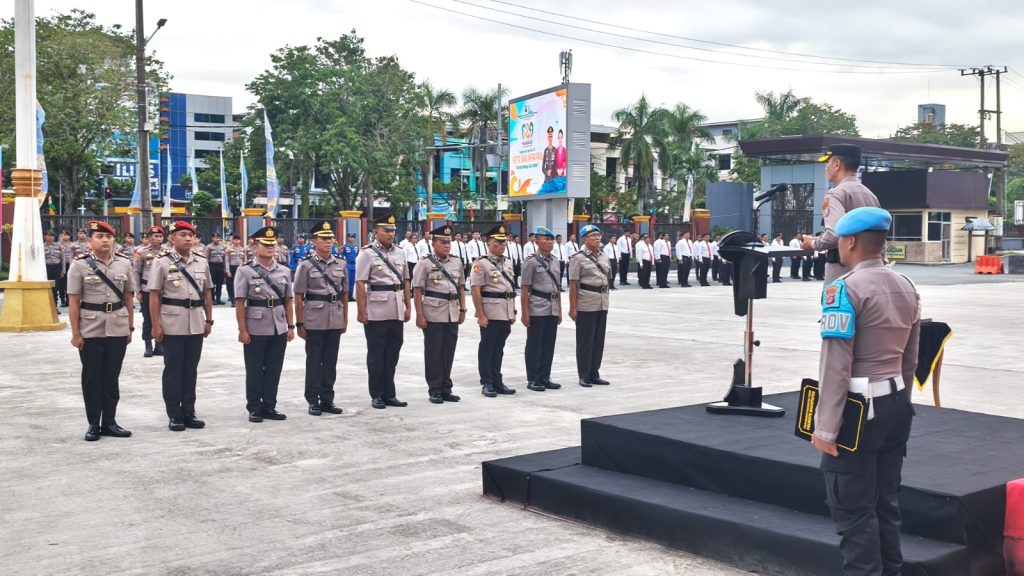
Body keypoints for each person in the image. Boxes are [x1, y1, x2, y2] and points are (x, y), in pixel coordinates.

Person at [812, 207, 919, 576]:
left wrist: (826, 428)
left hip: (859, 411)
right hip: (896, 403)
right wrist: (901, 402)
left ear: (851, 241)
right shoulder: (906, 285)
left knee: (853, 511)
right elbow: (910, 358)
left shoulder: (843, 289)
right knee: (885, 504)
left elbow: (836, 364)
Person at [67, 221, 136, 441]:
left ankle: (110, 422)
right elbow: (74, 301)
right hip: (90, 328)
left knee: (111, 377)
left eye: (108, 236)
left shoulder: (124, 264)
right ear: (90, 241)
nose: (105, 240)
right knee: (92, 378)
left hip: (117, 326)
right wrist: (76, 333)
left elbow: (128, 298)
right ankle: (93, 423)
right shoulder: (79, 265)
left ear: (114, 240)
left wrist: (130, 327)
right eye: (99, 236)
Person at [149, 221, 213, 432]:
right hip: (172, 323)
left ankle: (189, 411)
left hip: (196, 322)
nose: (188, 238)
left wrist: (209, 320)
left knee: (190, 370)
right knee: (173, 370)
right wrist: (155, 325)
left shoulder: (201, 261)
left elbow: (207, 292)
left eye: (190, 235)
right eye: (183, 234)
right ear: (172, 238)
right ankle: (174, 414)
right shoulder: (161, 262)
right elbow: (155, 295)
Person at [235, 226, 295, 422]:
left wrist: (290, 326)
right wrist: (242, 330)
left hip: (278, 326)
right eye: (266, 244)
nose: (270, 247)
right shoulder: (245, 271)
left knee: (274, 369)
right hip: (256, 326)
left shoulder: (284, 271)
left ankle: (269, 406)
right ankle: (254, 407)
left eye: (273, 244)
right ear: (255, 246)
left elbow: (288, 300)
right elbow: (240, 303)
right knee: (254, 369)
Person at [802, 144, 881, 284]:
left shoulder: (835, 194)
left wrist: (812, 243)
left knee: (836, 299)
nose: (826, 167)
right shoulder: (870, 195)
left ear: (837, 164)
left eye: (828, 162)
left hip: (842, 270)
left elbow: (835, 234)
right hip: (871, 270)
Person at [355, 212, 411, 409]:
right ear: (376, 232)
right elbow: (360, 283)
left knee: (392, 353)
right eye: (386, 230)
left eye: (393, 231)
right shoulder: (367, 253)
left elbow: (406, 280)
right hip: (376, 309)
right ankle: (377, 394)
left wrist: (408, 306)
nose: (390, 234)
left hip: (396, 309)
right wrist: (361, 311)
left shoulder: (400, 252)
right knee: (376, 355)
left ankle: (390, 393)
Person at [294, 221, 348, 415]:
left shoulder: (341, 263)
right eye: (324, 238)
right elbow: (298, 296)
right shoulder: (306, 265)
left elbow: (344, 293)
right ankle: (313, 400)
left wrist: (345, 319)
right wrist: (300, 323)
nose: (329, 242)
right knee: (314, 361)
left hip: (335, 317)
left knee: (331, 362)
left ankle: (327, 399)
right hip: (314, 319)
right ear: (314, 241)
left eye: (331, 238)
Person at [412, 224, 466, 404]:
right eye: (442, 242)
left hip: (452, 311)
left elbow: (461, 287)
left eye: (448, 242)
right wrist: (419, 315)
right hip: (433, 312)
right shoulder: (425, 263)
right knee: (434, 352)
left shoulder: (456, 262)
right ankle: (435, 388)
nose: (446, 246)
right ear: (433, 243)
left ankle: (446, 388)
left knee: (448, 351)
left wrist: (463, 309)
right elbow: (417, 290)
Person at [471, 224, 517, 398]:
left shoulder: (508, 262)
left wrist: (512, 311)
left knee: (499, 348)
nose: (502, 245)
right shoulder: (481, 263)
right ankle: (487, 382)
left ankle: (498, 381)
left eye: (504, 242)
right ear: (489, 243)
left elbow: (510, 289)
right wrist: (480, 315)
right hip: (490, 312)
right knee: (487, 347)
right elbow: (476, 290)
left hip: (505, 311)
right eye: (498, 242)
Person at [569, 224, 612, 387]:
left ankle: (595, 373)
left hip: (602, 302)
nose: (597, 238)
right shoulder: (577, 258)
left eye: (598, 235)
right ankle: (584, 375)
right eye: (593, 236)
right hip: (586, 302)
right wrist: (573, 308)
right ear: (584, 239)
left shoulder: (604, 256)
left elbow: (607, 279)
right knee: (585, 341)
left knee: (598, 341)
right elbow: (574, 285)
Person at [520, 226, 562, 393]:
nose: (550, 242)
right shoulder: (531, 262)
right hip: (536, 307)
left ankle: (545, 377)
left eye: (551, 240)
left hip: (552, 307)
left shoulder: (556, 261)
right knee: (534, 344)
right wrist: (525, 313)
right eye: (546, 239)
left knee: (549, 344)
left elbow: (557, 288)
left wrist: (559, 309)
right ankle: (533, 378)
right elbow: (525, 289)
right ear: (536, 241)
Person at [135, 225, 166, 358]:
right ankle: (148, 345)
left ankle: (159, 345)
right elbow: (136, 272)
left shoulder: (167, 251)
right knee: (148, 318)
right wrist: (138, 291)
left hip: (163, 290)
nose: (159, 239)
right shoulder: (141, 252)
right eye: (156, 236)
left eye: (161, 236)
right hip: (146, 290)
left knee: (161, 317)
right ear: (149, 238)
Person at [43, 230, 65, 307]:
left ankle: (55, 306)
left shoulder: (59, 246)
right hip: (47, 268)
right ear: (45, 237)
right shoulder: (42, 246)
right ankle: (47, 306)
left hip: (57, 268)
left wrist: (62, 271)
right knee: (47, 287)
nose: (50, 237)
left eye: (52, 236)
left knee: (55, 288)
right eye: (48, 236)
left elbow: (63, 259)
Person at [205, 233, 227, 304]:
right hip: (212, 266)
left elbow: (224, 258)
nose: (217, 239)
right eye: (215, 237)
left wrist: (225, 267)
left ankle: (218, 299)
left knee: (219, 284)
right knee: (212, 283)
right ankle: (212, 299)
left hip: (220, 266)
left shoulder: (223, 246)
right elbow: (206, 258)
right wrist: (207, 268)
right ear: (212, 238)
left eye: (218, 237)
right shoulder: (209, 247)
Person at [225, 235, 245, 306]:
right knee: (230, 284)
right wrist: (228, 271)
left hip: (240, 268)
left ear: (240, 241)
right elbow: (227, 261)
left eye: (238, 240)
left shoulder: (243, 249)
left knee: (240, 284)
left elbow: (245, 260)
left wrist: (245, 269)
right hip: (232, 267)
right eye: (235, 240)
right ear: (232, 240)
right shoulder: (228, 249)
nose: (236, 241)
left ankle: (239, 299)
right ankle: (232, 300)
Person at [57, 229, 74, 307]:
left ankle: (68, 300)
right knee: (61, 284)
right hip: (60, 266)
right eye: (64, 235)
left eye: (67, 235)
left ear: (69, 236)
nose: (65, 236)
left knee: (69, 283)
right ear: (61, 236)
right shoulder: (57, 245)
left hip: (70, 265)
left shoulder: (72, 245)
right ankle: (62, 300)